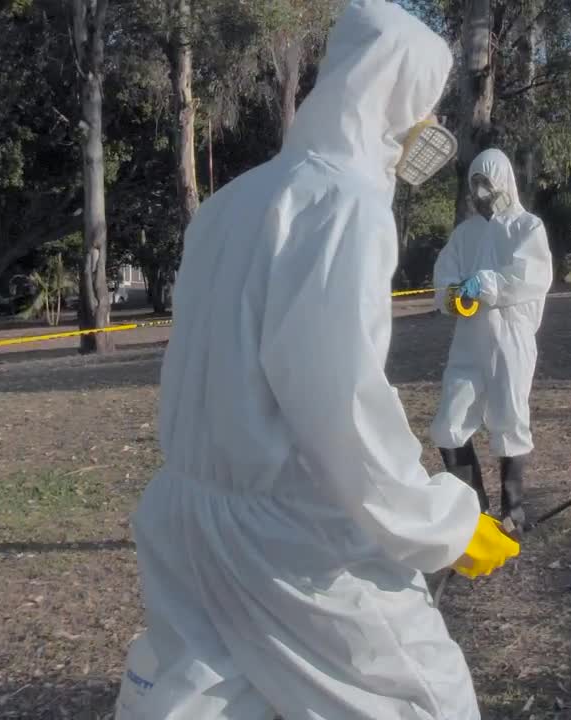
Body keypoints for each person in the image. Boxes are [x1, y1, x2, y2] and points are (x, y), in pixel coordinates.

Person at [113, 2, 519, 719]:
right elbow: (341, 408)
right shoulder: (346, 204)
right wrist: (442, 525)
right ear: (398, 94)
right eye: (421, 104)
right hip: (291, 539)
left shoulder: (231, 202)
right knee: (427, 700)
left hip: (186, 515)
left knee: (216, 700)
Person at [430, 148, 554, 534]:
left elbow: (530, 278)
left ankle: (512, 509)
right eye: (475, 183)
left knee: (509, 418)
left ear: (503, 182)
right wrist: (454, 296)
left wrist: (485, 284)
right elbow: (443, 282)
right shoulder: (465, 233)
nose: (481, 191)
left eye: (487, 182)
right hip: (468, 339)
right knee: (449, 422)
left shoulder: (527, 228)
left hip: (510, 338)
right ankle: (474, 511)